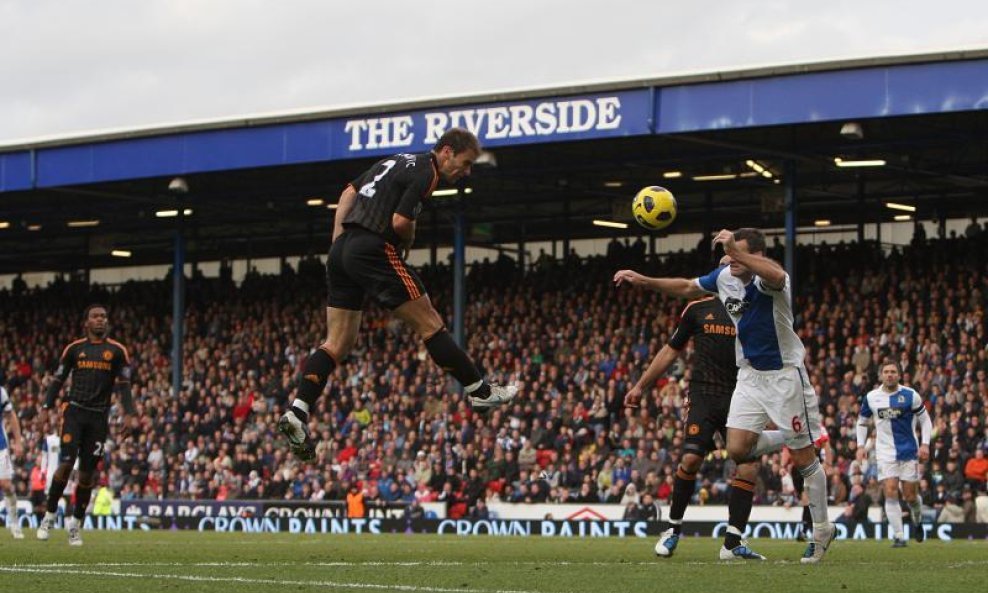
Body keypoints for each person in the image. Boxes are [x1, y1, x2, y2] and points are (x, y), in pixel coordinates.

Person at [279, 128, 516, 460]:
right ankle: (481, 391)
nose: (467, 172)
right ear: (446, 152)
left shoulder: (396, 160)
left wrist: (337, 241)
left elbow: (348, 192)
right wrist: (407, 241)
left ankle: (298, 411)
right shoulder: (427, 171)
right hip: (372, 248)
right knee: (431, 324)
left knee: (338, 343)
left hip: (342, 249)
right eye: (465, 163)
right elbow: (401, 221)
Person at [614, 227, 835, 563]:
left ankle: (821, 530)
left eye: (737, 253)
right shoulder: (724, 277)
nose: (730, 259)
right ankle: (797, 436)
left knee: (804, 459)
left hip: (784, 376)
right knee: (737, 449)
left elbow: (777, 273)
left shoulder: (770, 281)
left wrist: (736, 251)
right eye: (728, 253)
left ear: (754, 255)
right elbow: (687, 286)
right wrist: (643, 280)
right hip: (748, 376)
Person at [624, 267, 780, 560]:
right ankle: (672, 530)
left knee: (747, 465)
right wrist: (640, 386)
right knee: (691, 458)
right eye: (725, 268)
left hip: (742, 396)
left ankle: (732, 543)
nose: (731, 273)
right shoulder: (698, 309)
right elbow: (671, 350)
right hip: (704, 394)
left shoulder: (755, 309)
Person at [37, 304, 136, 546]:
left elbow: (124, 385)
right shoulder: (74, 349)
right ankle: (49, 516)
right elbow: (58, 379)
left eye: (104, 316)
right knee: (66, 463)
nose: (100, 320)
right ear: (87, 323)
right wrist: (46, 407)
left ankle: (76, 525)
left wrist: (130, 414)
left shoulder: (117, 351)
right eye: (95, 316)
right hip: (74, 412)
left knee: (87, 475)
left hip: (99, 417)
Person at [856, 361, 932, 547]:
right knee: (890, 491)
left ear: (899, 375)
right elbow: (862, 422)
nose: (889, 375)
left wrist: (925, 444)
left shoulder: (910, 395)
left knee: (910, 497)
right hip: (884, 452)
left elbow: (926, 420)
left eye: (893, 372)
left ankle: (917, 520)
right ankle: (899, 536)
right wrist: (860, 446)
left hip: (909, 451)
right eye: (886, 372)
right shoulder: (872, 397)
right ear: (881, 375)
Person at [1, 385, 25, 539]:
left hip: (0, 444)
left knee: (6, 485)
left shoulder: (0, 392)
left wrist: (18, 441)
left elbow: (11, 416)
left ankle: (14, 523)